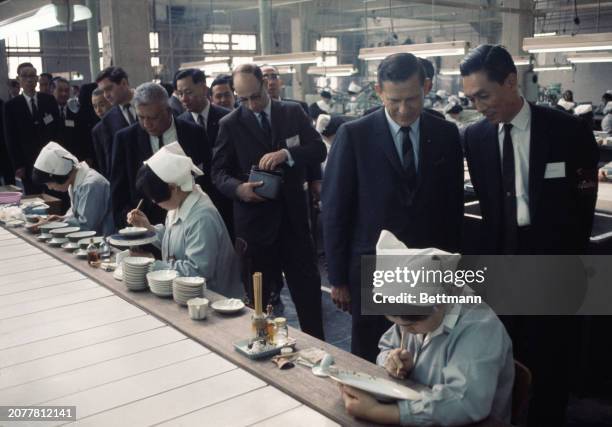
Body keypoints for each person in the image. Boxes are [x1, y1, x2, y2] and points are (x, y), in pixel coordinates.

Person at [460, 44, 599, 426]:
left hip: (553, 264)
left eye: (483, 95)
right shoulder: (475, 138)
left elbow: (584, 200)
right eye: (471, 98)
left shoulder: (566, 131)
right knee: (501, 357)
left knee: (552, 361)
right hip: (501, 265)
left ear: (510, 81)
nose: (478, 106)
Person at [322, 53, 464, 362]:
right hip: (373, 269)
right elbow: (335, 210)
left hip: (429, 265)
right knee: (370, 353)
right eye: (394, 101)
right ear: (379, 91)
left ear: (426, 87)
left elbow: (453, 208)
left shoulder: (445, 135)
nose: (403, 110)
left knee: (429, 351)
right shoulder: (354, 135)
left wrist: (453, 269)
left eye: (412, 99)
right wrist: (338, 279)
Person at [339, 241, 514, 426]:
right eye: (396, 324)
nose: (404, 331)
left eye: (411, 326)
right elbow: (387, 347)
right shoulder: (413, 312)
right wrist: (391, 361)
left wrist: (377, 412)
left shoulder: (480, 329)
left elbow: (464, 402)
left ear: (440, 303)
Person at [212, 63, 326, 339]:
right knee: (260, 305)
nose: (251, 105)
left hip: (294, 224)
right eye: (243, 99)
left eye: (255, 96)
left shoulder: (292, 112)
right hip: (255, 227)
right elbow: (218, 173)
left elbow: (318, 149)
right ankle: (264, 353)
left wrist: (287, 154)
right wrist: (240, 190)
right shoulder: (230, 124)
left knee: (309, 298)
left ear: (265, 84)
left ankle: (320, 353)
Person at [127, 143, 242, 298]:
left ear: (173, 187)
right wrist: (149, 229)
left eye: (156, 198)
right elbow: (175, 242)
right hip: (187, 293)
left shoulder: (202, 217)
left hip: (214, 298)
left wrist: (150, 264)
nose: (155, 202)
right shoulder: (180, 201)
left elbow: (197, 271)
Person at [111, 82, 208, 229]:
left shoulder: (194, 133)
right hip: (143, 225)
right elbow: (118, 191)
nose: (146, 123)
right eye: (141, 117)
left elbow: (206, 180)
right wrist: (128, 222)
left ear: (168, 111)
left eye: (153, 117)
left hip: (191, 221)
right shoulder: (125, 139)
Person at [175, 68, 233, 237]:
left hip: (226, 198)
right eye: (180, 94)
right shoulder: (179, 125)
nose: (184, 99)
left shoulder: (227, 118)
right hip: (195, 202)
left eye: (188, 92)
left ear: (203, 88)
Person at [30, 142, 114, 235]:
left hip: (102, 240)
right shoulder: (74, 181)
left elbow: (86, 226)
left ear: (59, 176)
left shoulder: (91, 185)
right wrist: (62, 218)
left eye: (49, 183)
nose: (50, 188)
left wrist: (51, 225)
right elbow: (76, 214)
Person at [3, 62, 60, 194]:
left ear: (37, 79)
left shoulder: (49, 100)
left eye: (32, 76)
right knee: (33, 195)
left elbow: (57, 129)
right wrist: (18, 165)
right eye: (24, 76)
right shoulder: (11, 106)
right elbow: (10, 137)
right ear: (19, 80)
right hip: (27, 161)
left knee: (54, 193)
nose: (29, 79)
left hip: (50, 158)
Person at [94, 66, 137, 180]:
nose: (106, 95)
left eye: (109, 89)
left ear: (123, 83)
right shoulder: (108, 120)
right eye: (103, 91)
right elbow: (111, 162)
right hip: (130, 182)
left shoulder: (147, 101)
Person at [53, 77, 92, 163]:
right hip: (53, 159)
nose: (63, 94)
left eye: (66, 90)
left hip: (74, 159)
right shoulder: (47, 111)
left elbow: (83, 135)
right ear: (53, 90)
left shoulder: (76, 111)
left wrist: (87, 156)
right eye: (60, 90)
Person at [90, 88, 113, 178]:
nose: (98, 110)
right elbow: (102, 162)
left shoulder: (123, 121)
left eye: (102, 105)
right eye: (95, 106)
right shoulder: (97, 130)